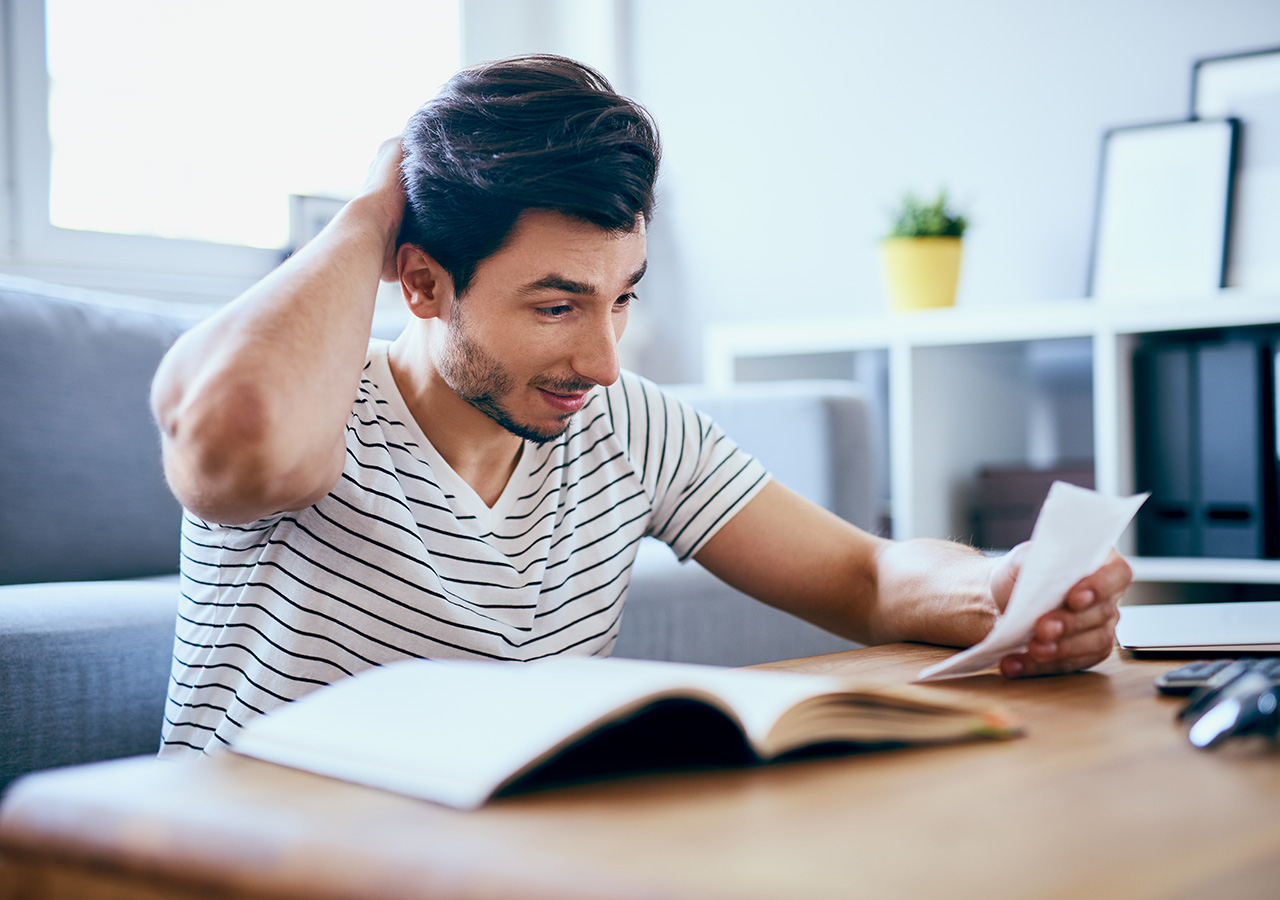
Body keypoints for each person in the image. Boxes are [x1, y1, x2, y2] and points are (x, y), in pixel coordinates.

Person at [151, 54, 1131, 758]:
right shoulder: (310, 408)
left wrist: (1001, 594)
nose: (602, 359)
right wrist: (372, 208)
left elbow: (865, 575)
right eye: (554, 305)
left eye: (621, 296)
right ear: (419, 283)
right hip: (251, 857)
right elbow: (233, 447)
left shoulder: (627, 426)